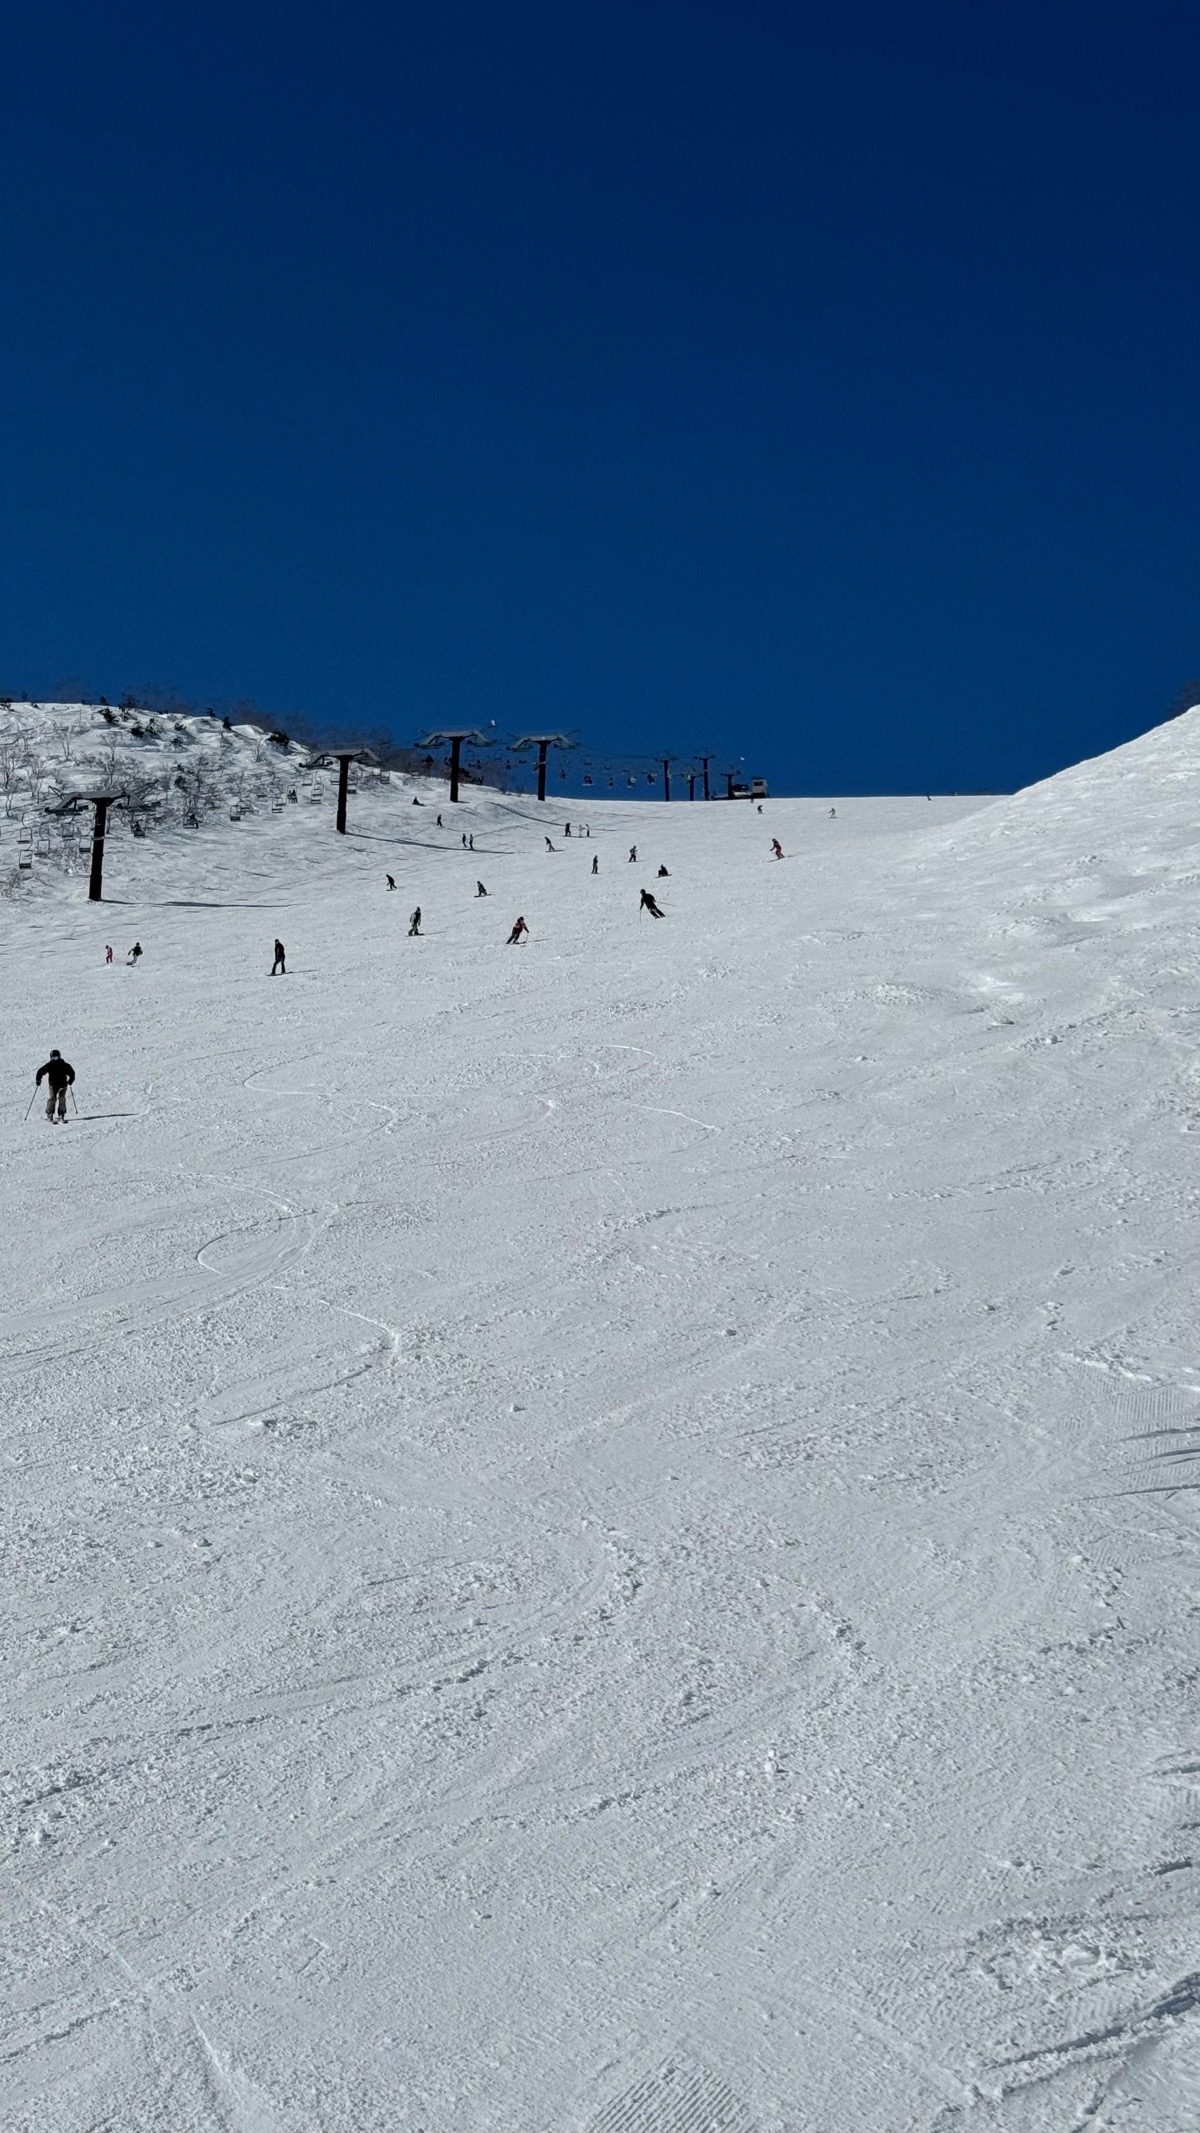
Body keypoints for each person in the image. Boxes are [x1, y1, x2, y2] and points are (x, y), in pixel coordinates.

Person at [36, 1048, 75, 1122]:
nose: (55, 1059)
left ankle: (61, 1114)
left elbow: (71, 1073)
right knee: (52, 1098)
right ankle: (50, 1113)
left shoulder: (64, 1065)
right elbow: (40, 1071)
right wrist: (38, 1079)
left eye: (56, 1057)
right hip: (53, 1085)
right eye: (53, 1058)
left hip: (63, 1084)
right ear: (51, 1058)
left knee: (61, 1098)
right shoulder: (50, 1065)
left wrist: (70, 1081)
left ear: (59, 1057)